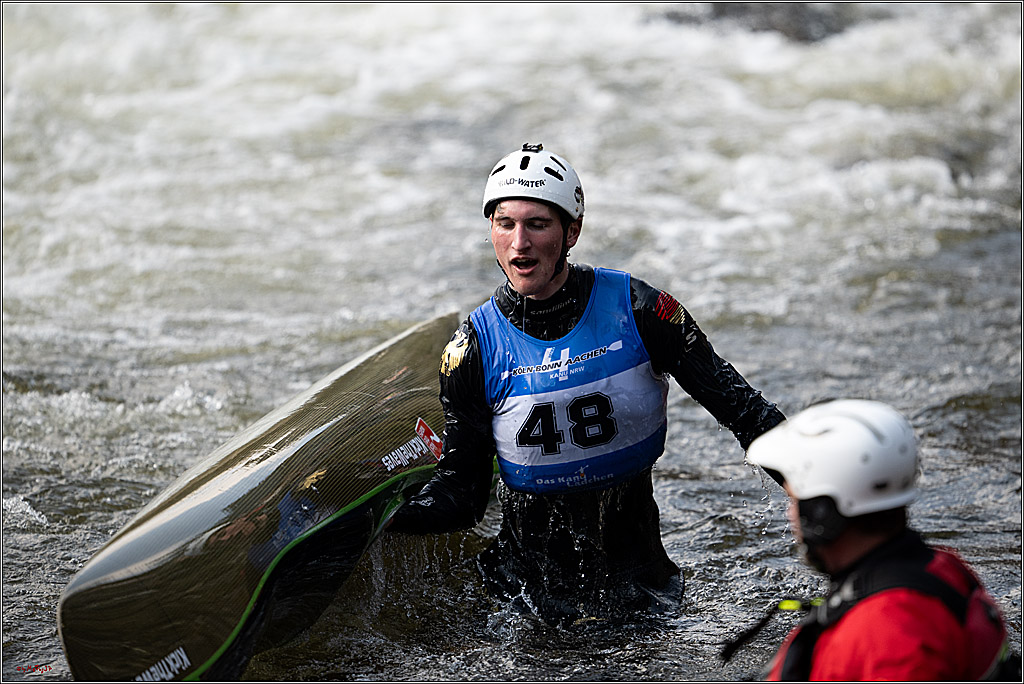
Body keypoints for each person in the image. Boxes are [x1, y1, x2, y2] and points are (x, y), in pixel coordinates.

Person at [389, 142, 786, 625]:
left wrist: (833, 497)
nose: (519, 244)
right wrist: (380, 521)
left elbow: (745, 413)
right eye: (504, 224)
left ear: (571, 231)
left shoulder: (641, 311)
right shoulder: (473, 349)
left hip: (642, 590)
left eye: (538, 224)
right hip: (520, 602)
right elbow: (462, 496)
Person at [744, 399, 1020, 681]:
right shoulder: (942, 566)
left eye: (795, 500)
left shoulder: (889, 636)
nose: (790, 514)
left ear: (822, 514)